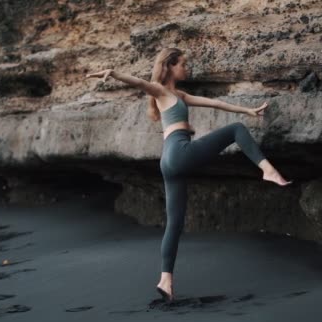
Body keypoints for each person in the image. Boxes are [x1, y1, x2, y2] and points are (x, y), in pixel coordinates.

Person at [85, 47, 292, 303]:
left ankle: (165, 280)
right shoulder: (160, 90)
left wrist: (248, 111)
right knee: (236, 130)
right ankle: (268, 170)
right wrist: (113, 73)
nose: (187, 68)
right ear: (170, 66)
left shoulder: (179, 95)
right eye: (183, 63)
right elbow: (139, 82)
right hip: (179, 153)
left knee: (175, 223)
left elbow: (215, 103)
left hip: (168, 161)